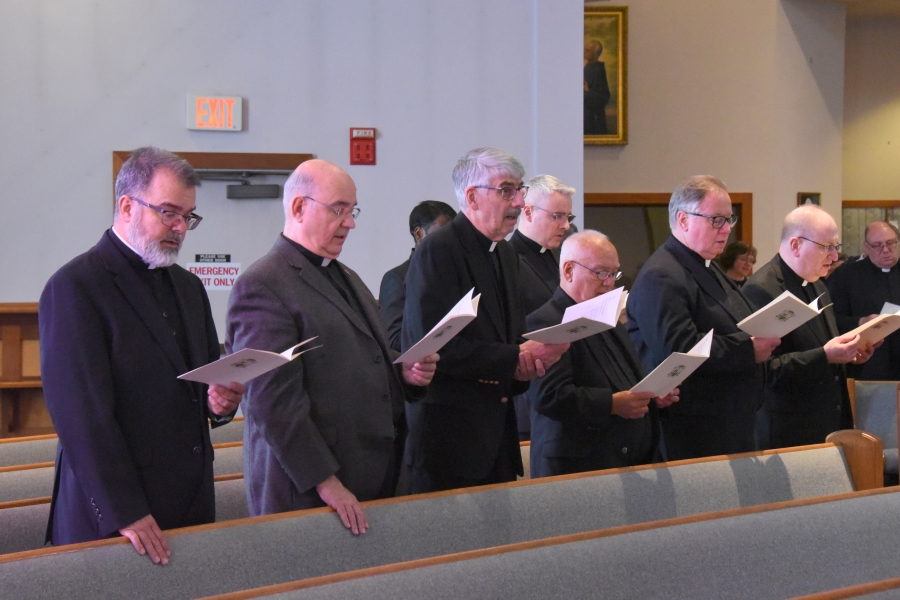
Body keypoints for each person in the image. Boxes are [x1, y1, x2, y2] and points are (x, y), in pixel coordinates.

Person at [39, 147, 244, 565]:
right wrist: (125, 510)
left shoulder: (189, 288)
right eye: (168, 212)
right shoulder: (76, 286)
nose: (180, 227)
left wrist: (221, 403)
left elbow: (203, 386)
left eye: (188, 216)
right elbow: (81, 416)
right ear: (127, 206)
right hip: (117, 514)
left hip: (190, 500)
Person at [226, 159, 437, 535]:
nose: (351, 222)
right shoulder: (263, 284)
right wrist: (326, 482)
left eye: (352, 210)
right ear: (298, 207)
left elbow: (364, 354)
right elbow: (271, 403)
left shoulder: (346, 275)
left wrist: (403, 370)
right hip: (308, 492)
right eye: (338, 209)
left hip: (370, 476)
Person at [402, 147, 569, 494]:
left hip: (495, 438)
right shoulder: (439, 250)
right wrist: (516, 358)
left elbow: (506, 339)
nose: (518, 202)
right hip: (449, 445)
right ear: (472, 197)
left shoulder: (505, 253)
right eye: (506, 190)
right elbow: (435, 347)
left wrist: (522, 367)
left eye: (520, 189)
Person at [626, 175, 780, 460]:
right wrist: (748, 349)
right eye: (716, 220)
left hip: (727, 420)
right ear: (683, 220)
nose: (726, 230)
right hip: (694, 429)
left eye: (728, 219)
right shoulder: (662, 275)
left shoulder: (706, 264)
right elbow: (679, 347)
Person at [526, 231, 678, 477]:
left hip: (626, 461)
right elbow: (549, 396)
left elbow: (623, 380)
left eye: (613, 273)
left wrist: (650, 396)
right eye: (600, 273)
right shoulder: (545, 321)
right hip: (577, 466)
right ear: (568, 271)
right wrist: (613, 404)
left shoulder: (607, 318)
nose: (609, 283)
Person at [743, 205, 873, 450]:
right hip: (790, 429)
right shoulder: (762, 289)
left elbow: (824, 346)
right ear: (795, 245)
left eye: (836, 247)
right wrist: (825, 356)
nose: (834, 257)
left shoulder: (818, 285)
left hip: (829, 421)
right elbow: (764, 371)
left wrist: (849, 354)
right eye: (826, 248)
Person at [510, 174, 575, 441]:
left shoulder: (562, 256)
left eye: (568, 217)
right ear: (527, 211)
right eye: (557, 216)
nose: (566, 225)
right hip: (533, 393)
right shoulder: (509, 261)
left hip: (569, 385)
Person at [379, 200, 457, 352]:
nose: (450, 242)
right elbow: (394, 341)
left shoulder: (455, 275)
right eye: (443, 234)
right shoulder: (396, 278)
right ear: (419, 233)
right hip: (422, 371)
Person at [827, 221, 900, 380]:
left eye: (890, 243)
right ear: (866, 247)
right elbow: (831, 319)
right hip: (868, 366)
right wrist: (861, 321)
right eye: (877, 245)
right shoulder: (846, 275)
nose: (886, 250)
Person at [584, 40, 611, 135]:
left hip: (594, 119)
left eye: (587, 50)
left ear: (595, 54)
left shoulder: (598, 70)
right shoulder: (587, 68)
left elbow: (604, 97)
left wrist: (588, 91)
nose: (584, 52)